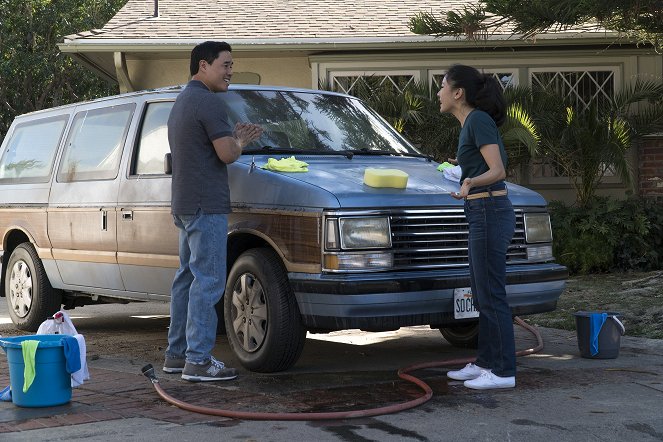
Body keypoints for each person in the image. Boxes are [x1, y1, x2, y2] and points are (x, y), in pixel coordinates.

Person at [163, 41, 263, 382]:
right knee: (208, 283)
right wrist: (240, 141)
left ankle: (176, 357)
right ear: (203, 66)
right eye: (225, 65)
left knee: (186, 280)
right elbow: (227, 155)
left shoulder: (182, 101)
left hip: (185, 204)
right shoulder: (208, 102)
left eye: (232, 65)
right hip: (207, 206)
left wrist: (231, 139)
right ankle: (199, 362)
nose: (230, 71)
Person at [438, 64, 517, 390]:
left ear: (459, 93)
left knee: (491, 294)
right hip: (481, 210)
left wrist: (470, 181)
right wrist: (461, 169)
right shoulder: (470, 123)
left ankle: (502, 372)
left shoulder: (478, 120)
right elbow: (484, 164)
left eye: (443, 85)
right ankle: (485, 363)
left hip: (489, 209)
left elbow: (497, 170)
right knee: (482, 294)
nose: (438, 93)